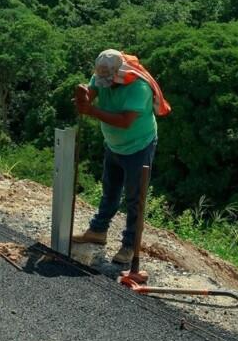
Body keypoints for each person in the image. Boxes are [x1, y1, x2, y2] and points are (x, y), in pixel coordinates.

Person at [71, 49, 170, 265]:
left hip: (139, 146)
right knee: (110, 188)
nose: (107, 84)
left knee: (135, 197)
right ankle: (98, 230)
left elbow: (125, 121)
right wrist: (83, 95)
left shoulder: (138, 87)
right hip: (114, 145)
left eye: (110, 80)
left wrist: (90, 111)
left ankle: (129, 246)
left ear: (120, 73)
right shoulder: (101, 76)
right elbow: (92, 92)